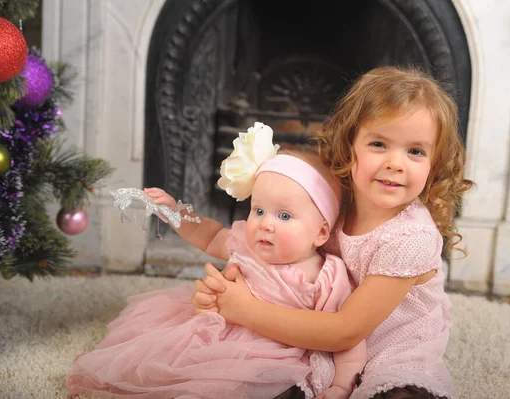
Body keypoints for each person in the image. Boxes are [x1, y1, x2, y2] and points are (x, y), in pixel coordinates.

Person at [192, 66, 474, 399]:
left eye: (415, 151)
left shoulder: (411, 238)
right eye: (379, 144)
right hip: (318, 331)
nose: (396, 163)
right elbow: (275, 242)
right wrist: (234, 285)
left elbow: (346, 332)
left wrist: (245, 309)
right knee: (259, 377)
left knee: (398, 394)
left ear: (434, 164)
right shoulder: (336, 199)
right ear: (349, 145)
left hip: (389, 347)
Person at [66, 122, 367, 399]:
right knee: (166, 356)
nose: (265, 224)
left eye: (284, 215)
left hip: (278, 351)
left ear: (321, 232)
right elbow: (208, 234)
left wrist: (342, 385)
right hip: (220, 332)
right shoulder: (247, 244)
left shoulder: (327, 275)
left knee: (245, 386)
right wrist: (173, 213)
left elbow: (347, 338)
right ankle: (111, 370)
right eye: (258, 210)